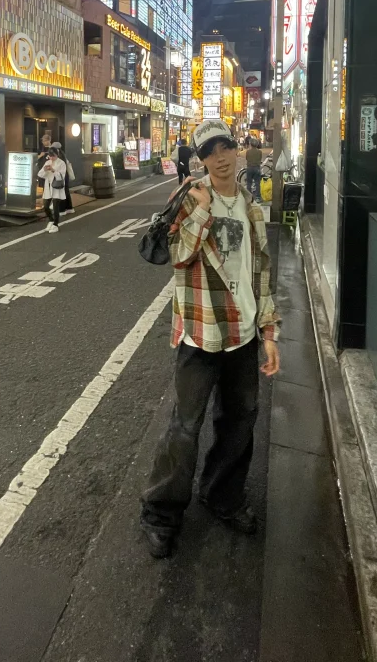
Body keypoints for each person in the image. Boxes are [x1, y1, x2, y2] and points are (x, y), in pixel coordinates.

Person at [140, 119, 280, 559]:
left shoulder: (251, 206)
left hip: (243, 334)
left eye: (225, 148)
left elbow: (261, 271)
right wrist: (201, 210)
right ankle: (160, 512)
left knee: (240, 421)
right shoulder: (189, 197)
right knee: (185, 426)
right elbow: (177, 257)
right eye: (209, 152)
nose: (220, 158)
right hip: (201, 335)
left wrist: (269, 332)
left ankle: (222, 495)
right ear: (200, 159)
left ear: (237, 149)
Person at [37, 147, 66, 233]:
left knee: (56, 207)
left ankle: (55, 225)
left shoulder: (61, 163)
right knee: (46, 206)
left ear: (57, 154)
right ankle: (51, 220)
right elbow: (40, 174)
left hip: (57, 187)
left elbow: (61, 176)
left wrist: (53, 170)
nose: (52, 158)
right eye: (50, 156)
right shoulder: (47, 162)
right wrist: (45, 170)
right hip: (48, 187)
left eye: (53, 156)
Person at [51, 141, 75, 215]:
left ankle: (61, 210)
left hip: (60, 176)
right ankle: (69, 208)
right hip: (65, 175)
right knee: (66, 192)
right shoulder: (63, 154)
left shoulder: (58, 156)